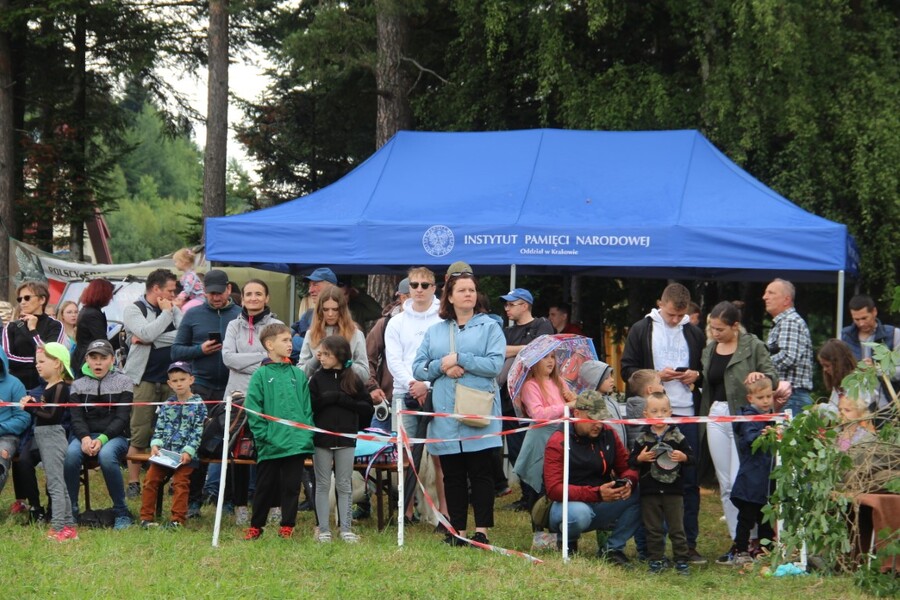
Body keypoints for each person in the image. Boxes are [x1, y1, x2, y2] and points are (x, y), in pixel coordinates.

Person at [412, 271, 505, 546]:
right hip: (446, 412)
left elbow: (494, 365)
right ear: (449, 297)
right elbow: (418, 368)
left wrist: (461, 359)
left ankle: (482, 531)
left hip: (478, 411)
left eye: (472, 290)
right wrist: (443, 366)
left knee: (481, 473)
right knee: (452, 474)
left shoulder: (490, 327)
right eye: (462, 290)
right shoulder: (435, 331)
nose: (468, 294)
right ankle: (458, 531)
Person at [619, 283, 705, 564]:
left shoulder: (693, 332)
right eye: (670, 314)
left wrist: (696, 376)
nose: (674, 320)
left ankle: (687, 545)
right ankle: (650, 548)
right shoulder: (641, 329)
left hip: (686, 413)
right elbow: (627, 371)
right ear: (660, 304)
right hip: (652, 414)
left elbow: (705, 371)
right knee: (651, 480)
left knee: (688, 480)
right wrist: (656, 376)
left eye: (679, 316)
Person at [699, 301, 777, 562]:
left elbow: (772, 377)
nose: (715, 333)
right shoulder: (710, 349)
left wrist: (759, 375)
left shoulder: (753, 345)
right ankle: (738, 543)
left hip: (746, 418)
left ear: (735, 326)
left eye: (720, 329)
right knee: (726, 484)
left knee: (743, 481)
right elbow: (710, 382)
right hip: (716, 415)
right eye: (712, 328)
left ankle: (756, 540)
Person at [171, 269, 241, 517]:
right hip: (200, 386)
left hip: (233, 388)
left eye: (219, 293)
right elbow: (176, 352)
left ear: (229, 289)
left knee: (231, 443)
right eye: (210, 294)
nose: (215, 298)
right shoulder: (193, 314)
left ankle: (230, 499)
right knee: (197, 442)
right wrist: (200, 349)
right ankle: (193, 500)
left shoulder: (240, 315)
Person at [543, 390, 641, 562]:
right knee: (579, 514)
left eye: (601, 418)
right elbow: (553, 489)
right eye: (592, 418)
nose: (598, 424)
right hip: (565, 505)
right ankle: (567, 540)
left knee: (642, 492)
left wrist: (628, 482)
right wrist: (596, 493)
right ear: (577, 413)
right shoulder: (558, 440)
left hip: (601, 500)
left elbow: (627, 466)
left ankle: (612, 549)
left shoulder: (609, 433)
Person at [385, 267, 446, 526]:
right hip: (404, 392)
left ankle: (444, 512)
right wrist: (413, 384)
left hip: (439, 391)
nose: (419, 289)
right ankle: (406, 511)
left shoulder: (444, 320)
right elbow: (393, 360)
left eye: (425, 284)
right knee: (406, 456)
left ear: (434, 287)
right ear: (408, 288)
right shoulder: (396, 321)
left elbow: (446, 357)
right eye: (414, 284)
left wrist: (427, 384)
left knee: (441, 455)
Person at [243, 323, 315, 541]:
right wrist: (264, 435)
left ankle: (287, 526)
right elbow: (253, 409)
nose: (289, 344)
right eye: (284, 340)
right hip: (270, 444)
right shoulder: (260, 375)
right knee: (264, 487)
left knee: (291, 487)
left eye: (290, 340)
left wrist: (306, 434)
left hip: (295, 443)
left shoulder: (298, 374)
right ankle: (256, 526)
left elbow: (306, 408)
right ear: (269, 344)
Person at [221, 279, 283, 524]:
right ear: (242, 298)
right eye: (249, 294)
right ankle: (239, 507)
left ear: (266, 298)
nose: (253, 298)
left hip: (268, 396)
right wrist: (262, 357)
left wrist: (245, 360)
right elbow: (227, 358)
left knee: (270, 452)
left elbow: (278, 358)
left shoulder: (277, 326)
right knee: (239, 453)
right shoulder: (233, 326)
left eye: (259, 294)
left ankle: (274, 506)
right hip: (236, 396)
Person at [122, 268, 182, 499]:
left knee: (172, 432)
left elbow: (184, 336)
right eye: (170, 290)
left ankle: (170, 478)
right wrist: (163, 319)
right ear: (156, 289)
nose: (173, 295)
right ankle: (134, 482)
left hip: (171, 379)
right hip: (144, 379)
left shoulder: (174, 309)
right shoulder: (133, 309)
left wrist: (151, 339)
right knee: (140, 432)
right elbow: (144, 333)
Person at [64, 339, 134, 529]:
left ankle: (121, 511)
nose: (98, 362)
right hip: (83, 436)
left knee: (106, 455)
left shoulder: (125, 381)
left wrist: (102, 439)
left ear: (112, 359)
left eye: (103, 358)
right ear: (86, 359)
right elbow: (76, 418)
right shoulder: (77, 385)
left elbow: (122, 418)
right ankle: (70, 510)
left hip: (114, 436)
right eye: (93, 357)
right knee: (70, 456)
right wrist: (85, 438)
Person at [310, 335, 374, 543]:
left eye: (326, 354)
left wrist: (342, 400)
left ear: (339, 355)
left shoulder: (353, 379)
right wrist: (325, 400)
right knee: (322, 483)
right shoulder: (317, 379)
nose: (322, 358)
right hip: (322, 438)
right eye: (320, 354)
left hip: (346, 438)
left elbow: (366, 408)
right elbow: (309, 407)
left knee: (344, 483)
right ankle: (323, 529)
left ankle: (345, 528)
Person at [498, 287, 554, 505]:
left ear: (525, 305)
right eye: (506, 304)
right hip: (509, 400)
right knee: (515, 451)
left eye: (511, 304)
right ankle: (527, 495)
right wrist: (525, 348)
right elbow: (499, 351)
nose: (507, 308)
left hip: (534, 398)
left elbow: (540, 351)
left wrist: (517, 350)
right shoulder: (505, 331)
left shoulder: (542, 324)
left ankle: (539, 494)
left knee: (533, 448)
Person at [629, 392, 694, 575]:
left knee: (676, 528)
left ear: (671, 412)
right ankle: (656, 560)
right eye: (655, 411)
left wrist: (683, 457)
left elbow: (693, 459)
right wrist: (640, 458)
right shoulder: (642, 438)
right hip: (649, 491)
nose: (659, 415)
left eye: (664, 411)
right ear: (646, 414)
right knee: (653, 528)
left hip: (674, 491)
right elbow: (631, 461)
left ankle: (681, 560)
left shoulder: (678, 437)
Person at [139, 361, 207, 529]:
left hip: (186, 456)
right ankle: (146, 518)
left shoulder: (199, 405)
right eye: (175, 380)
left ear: (191, 380)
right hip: (166, 454)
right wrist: (155, 445)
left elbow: (198, 431)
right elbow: (159, 427)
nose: (179, 383)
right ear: (169, 383)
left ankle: (177, 519)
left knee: (180, 482)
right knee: (150, 479)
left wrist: (189, 451)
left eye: (182, 379)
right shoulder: (167, 404)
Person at [20, 343, 77, 541]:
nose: (38, 365)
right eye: (37, 362)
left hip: (53, 436)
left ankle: (58, 527)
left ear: (57, 364)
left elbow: (52, 415)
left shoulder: (61, 387)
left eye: (42, 361)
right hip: (44, 436)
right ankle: (69, 527)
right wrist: (35, 404)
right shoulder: (48, 387)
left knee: (55, 484)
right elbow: (44, 412)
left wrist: (30, 408)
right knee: (58, 484)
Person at [729, 378, 778, 565]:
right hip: (750, 480)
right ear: (750, 398)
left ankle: (766, 550)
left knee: (766, 519)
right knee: (746, 519)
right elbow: (750, 439)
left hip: (766, 481)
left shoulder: (772, 416)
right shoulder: (748, 418)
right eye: (761, 397)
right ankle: (741, 549)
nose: (766, 401)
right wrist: (763, 435)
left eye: (769, 396)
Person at [297, 287, 369, 384]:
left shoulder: (355, 334)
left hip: (346, 392)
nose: (330, 314)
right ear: (320, 310)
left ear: (342, 310)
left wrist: (345, 360)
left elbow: (365, 376)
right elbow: (299, 374)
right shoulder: (311, 334)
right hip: (318, 393)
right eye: (326, 309)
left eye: (335, 309)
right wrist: (315, 359)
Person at [763, 278, 814, 415]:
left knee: (788, 437)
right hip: (789, 397)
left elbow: (788, 357)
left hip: (792, 397)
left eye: (771, 293)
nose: (764, 297)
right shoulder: (784, 321)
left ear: (786, 300)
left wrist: (760, 365)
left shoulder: (789, 321)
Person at [3, 280, 65, 390]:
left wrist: (33, 330)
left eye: (27, 298)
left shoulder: (55, 325)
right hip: (18, 385)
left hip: (46, 386)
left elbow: (51, 354)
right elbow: (7, 358)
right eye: (19, 299)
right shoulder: (11, 327)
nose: (22, 302)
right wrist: (37, 362)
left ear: (42, 299)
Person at [840, 294, 899, 410]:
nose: (861, 323)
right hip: (854, 406)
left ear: (874, 312)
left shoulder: (894, 334)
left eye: (864, 318)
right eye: (856, 319)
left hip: (886, 405)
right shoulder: (844, 337)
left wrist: (877, 370)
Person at [0, 347, 30, 500]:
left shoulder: (15, 384)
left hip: (6, 436)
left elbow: (23, 418)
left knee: (0, 457)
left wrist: (1, 427)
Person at [72, 278, 114, 376]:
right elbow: (102, 342)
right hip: (89, 360)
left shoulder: (86, 310)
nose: (111, 298)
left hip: (84, 357)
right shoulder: (93, 314)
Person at [291, 267, 338, 347]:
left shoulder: (343, 317)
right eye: (310, 286)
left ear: (330, 287)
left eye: (315, 285)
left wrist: (298, 340)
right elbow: (287, 340)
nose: (310, 290)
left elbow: (327, 347)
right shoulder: (308, 314)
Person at [817, 339, 868, 410]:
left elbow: (851, 411)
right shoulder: (838, 385)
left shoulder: (858, 381)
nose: (825, 370)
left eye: (827, 365)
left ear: (839, 363)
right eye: (823, 366)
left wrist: (822, 408)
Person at [624, 369, 665, 449]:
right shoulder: (652, 409)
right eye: (660, 383)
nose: (662, 386)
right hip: (651, 449)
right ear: (650, 390)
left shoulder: (631, 406)